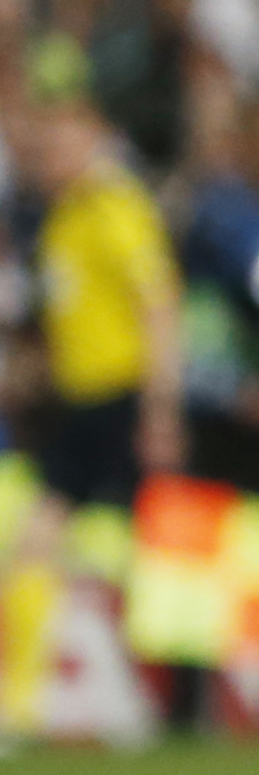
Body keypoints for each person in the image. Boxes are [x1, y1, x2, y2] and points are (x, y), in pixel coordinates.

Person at [19, 91, 185, 520]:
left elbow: (158, 304)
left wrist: (159, 410)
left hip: (120, 393)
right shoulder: (62, 216)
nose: (48, 159)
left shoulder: (114, 207)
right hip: (77, 396)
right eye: (44, 149)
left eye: (60, 148)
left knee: (74, 514)